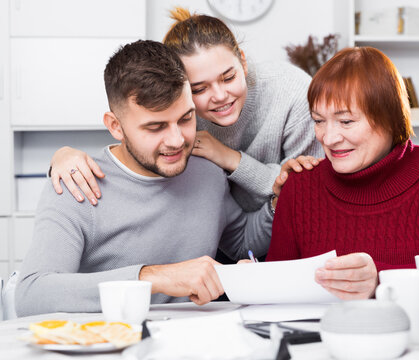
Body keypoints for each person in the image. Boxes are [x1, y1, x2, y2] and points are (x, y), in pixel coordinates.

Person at [15, 40, 274, 317]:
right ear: (115, 126)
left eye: (186, 119)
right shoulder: (77, 184)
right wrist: (155, 278)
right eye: (156, 127)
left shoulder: (207, 171)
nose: (177, 140)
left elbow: (242, 242)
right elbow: (31, 295)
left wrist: (278, 202)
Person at [48, 7, 323, 214]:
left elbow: (314, 191)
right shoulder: (180, 114)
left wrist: (230, 158)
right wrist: (63, 155)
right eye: (199, 89)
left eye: (228, 78)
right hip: (219, 239)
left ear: (243, 61)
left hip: (284, 227)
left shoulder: (291, 91)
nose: (220, 96)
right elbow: (138, 150)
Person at [267, 47, 419, 300]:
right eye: (318, 120)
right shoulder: (300, 185)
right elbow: (276, 296)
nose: (329, 138)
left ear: (390, 118)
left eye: (346, 121)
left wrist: (379, 280)